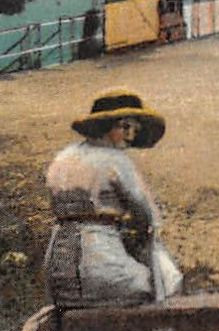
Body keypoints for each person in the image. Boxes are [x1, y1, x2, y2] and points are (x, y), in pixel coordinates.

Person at [44, 89, 183, 307]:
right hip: (100, 268)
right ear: (104, 126)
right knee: (164, 282)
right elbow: (145, 214)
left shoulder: (62, 157)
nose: (130, 135)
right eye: (125, 127)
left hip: (57, 270)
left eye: (134, 130)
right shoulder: (116, 160)